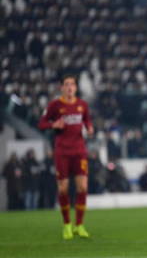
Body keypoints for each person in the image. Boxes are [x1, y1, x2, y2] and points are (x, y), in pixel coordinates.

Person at [38, 74, 93, 239]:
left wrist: (90, 129)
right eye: (67, 84)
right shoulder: (55, 105)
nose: (70, 87)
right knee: (63, 188)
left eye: (72, 84)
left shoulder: (82, 105)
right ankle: (66, 224)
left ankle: (79, 225)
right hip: (62, 152)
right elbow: (41, 124)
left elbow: (87, 121)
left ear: (76, 88)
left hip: (79, 151)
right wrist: (53, 124)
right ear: (61, 88)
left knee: (82, 187)